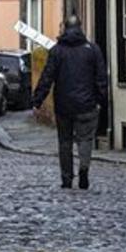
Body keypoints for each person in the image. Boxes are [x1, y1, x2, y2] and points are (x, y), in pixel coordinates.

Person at [32, 14, 108, 190]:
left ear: (65, 29)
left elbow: (47, 77)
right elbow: (101, 78)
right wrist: (101, 101)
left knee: (65, 142)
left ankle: (67, 178)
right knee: (86, 139)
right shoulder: (93, 50)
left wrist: (37, 101)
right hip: (87, 104)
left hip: (64, 106)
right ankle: (83, 169)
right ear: (80, 28)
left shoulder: (57, 51)